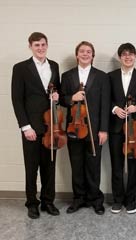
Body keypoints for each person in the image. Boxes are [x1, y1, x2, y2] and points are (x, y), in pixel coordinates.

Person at [11, 32, 60, 219]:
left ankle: (48, 202)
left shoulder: (54, 66)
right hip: (31, 126)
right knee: (31, 168)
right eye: (37, 45)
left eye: (43, 44)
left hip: (51, 126)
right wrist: (25, 127)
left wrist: (58, 96)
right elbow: (17, 99)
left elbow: (58, 92)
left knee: (50, 166)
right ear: (30, 46)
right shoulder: (21, 68)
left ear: (47, 45)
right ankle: (32, 203)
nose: (41, 48)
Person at [60, 41, 110, 215]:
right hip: (74, 128)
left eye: (89, 52)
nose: (85, 54)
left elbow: (105, 105)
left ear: (93, 55)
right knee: (76, 165)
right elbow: (62, 99)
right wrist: (72, 98)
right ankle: (78, 198)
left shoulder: (102, 76)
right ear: (77, 55)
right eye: (82, 51)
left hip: (95, 130)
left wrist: (103, 129)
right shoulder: (67, 76)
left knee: (93, 166)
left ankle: (96, 199)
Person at [108, 43, 136, 214]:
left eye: (131, 54)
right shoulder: (110, 76)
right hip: (116, 127)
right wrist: (115, 109)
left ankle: (131, 199)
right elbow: (105, 99)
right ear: (119, 57)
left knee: (133, 164)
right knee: (116, 164)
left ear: (135, 56)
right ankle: (117, 200)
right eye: (124, 54)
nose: (127, 57)